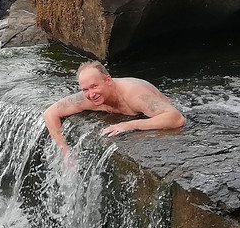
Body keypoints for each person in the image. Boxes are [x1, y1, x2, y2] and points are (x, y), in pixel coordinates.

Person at [42, 61, 185, 157]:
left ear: (108, 81)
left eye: (94, 86)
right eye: (85, 89)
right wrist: (65, 152)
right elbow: (50, 113)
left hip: (186, 105)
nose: (91, 94)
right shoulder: (88, 98)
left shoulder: (135, 95)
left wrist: (130, 125)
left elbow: (176, 117)